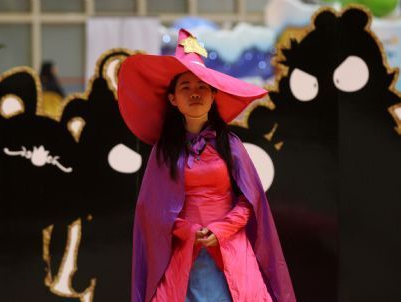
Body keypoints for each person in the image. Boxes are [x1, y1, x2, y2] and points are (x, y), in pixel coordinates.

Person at [118, 29, 296, 302]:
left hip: (232, 251)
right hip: (181, 255)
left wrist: (220, 230)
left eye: (202, 87)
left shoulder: (231, 145)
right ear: (173, 99)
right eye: (185, 87)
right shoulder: (164, 151)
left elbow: (251, 201)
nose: (195, 93)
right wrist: (188, 231)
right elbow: (152, 212)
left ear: (214, 96)